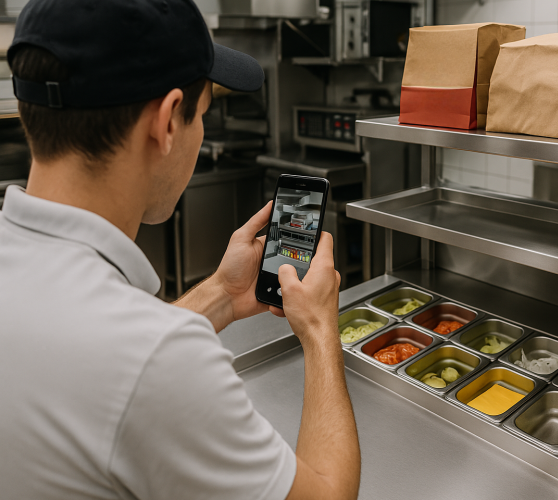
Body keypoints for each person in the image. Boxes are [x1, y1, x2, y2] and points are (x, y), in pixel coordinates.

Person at [0, 0, 360, 499]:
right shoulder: (158, 362)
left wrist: (221, 294)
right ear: (168, 121)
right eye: (203, 116)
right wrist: (320, 328)